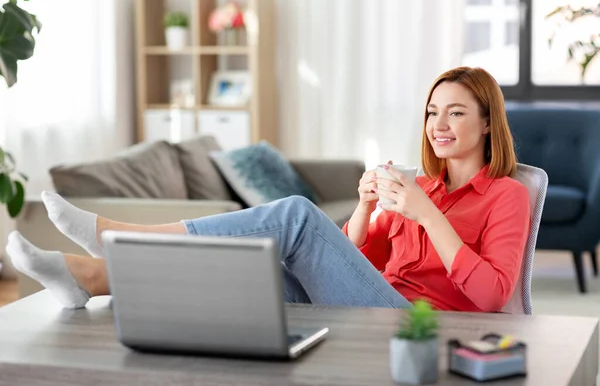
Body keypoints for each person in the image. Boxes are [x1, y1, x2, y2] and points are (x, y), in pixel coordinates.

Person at [7, 66, 530, 312]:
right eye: (433, 112)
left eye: (456, 112)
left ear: (488, 123)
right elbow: (350, 260)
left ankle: (115, 236)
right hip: (372, 300)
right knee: (246, 271)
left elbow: (490, 296)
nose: (439, 124)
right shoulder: (419, 188)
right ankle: (93, 277)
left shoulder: (506, 195)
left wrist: (429, 218)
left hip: (419, 327)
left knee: (296, 216)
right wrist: (369, 209)